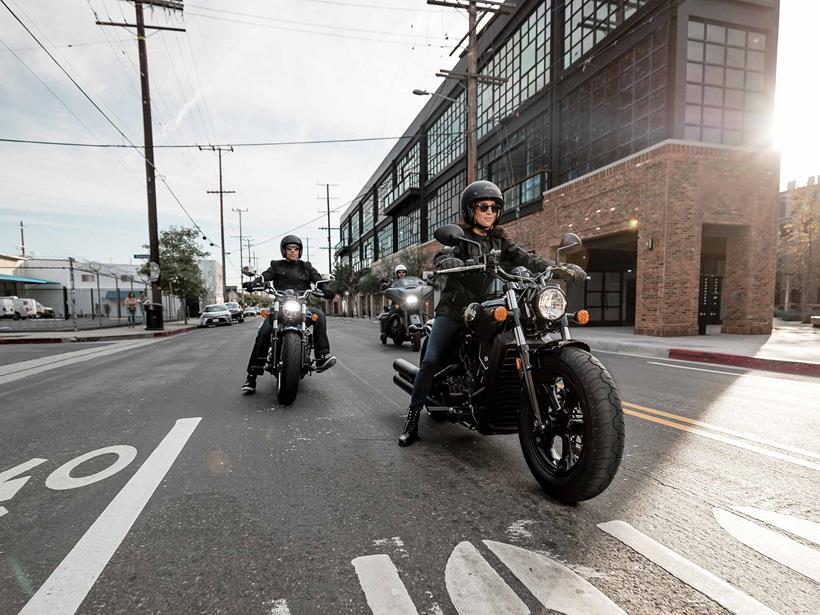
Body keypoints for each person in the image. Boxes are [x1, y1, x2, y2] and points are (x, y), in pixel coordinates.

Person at [398, 180, 558, 446]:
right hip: (455, 308)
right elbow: (442, 254)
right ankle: (412, 418)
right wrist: (447, 260)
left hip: (488, 305)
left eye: (494, 208)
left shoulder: (500, 240)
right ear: (470, 210)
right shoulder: (459, 236)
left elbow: (525, 259)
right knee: (430, 360)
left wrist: (556, 266)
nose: (489, 212)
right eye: (483, 206)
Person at [242, 235, 336, 394]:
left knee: (319, 315)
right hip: (280, 305)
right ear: (284, 251)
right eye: (289, 249)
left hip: (301, 306)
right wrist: (255, 282)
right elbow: (265, 276)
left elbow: (318, 280)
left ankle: (321, 357)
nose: (293, 251)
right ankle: (252, 375)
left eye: (296, 249)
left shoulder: (306, 267)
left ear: (300, 251)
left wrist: (326, 289)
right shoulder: (276, 266)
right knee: (264, 331)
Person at [379, 264, 408, 343]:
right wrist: (385, 285)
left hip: (408, 303)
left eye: (403, 272)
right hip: (396, 303)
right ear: (397, 274)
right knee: (390, 315)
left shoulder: (409, 282)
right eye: (400, 272)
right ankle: (385, 334)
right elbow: (386, 287)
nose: (402, 274)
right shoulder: (394, 282)